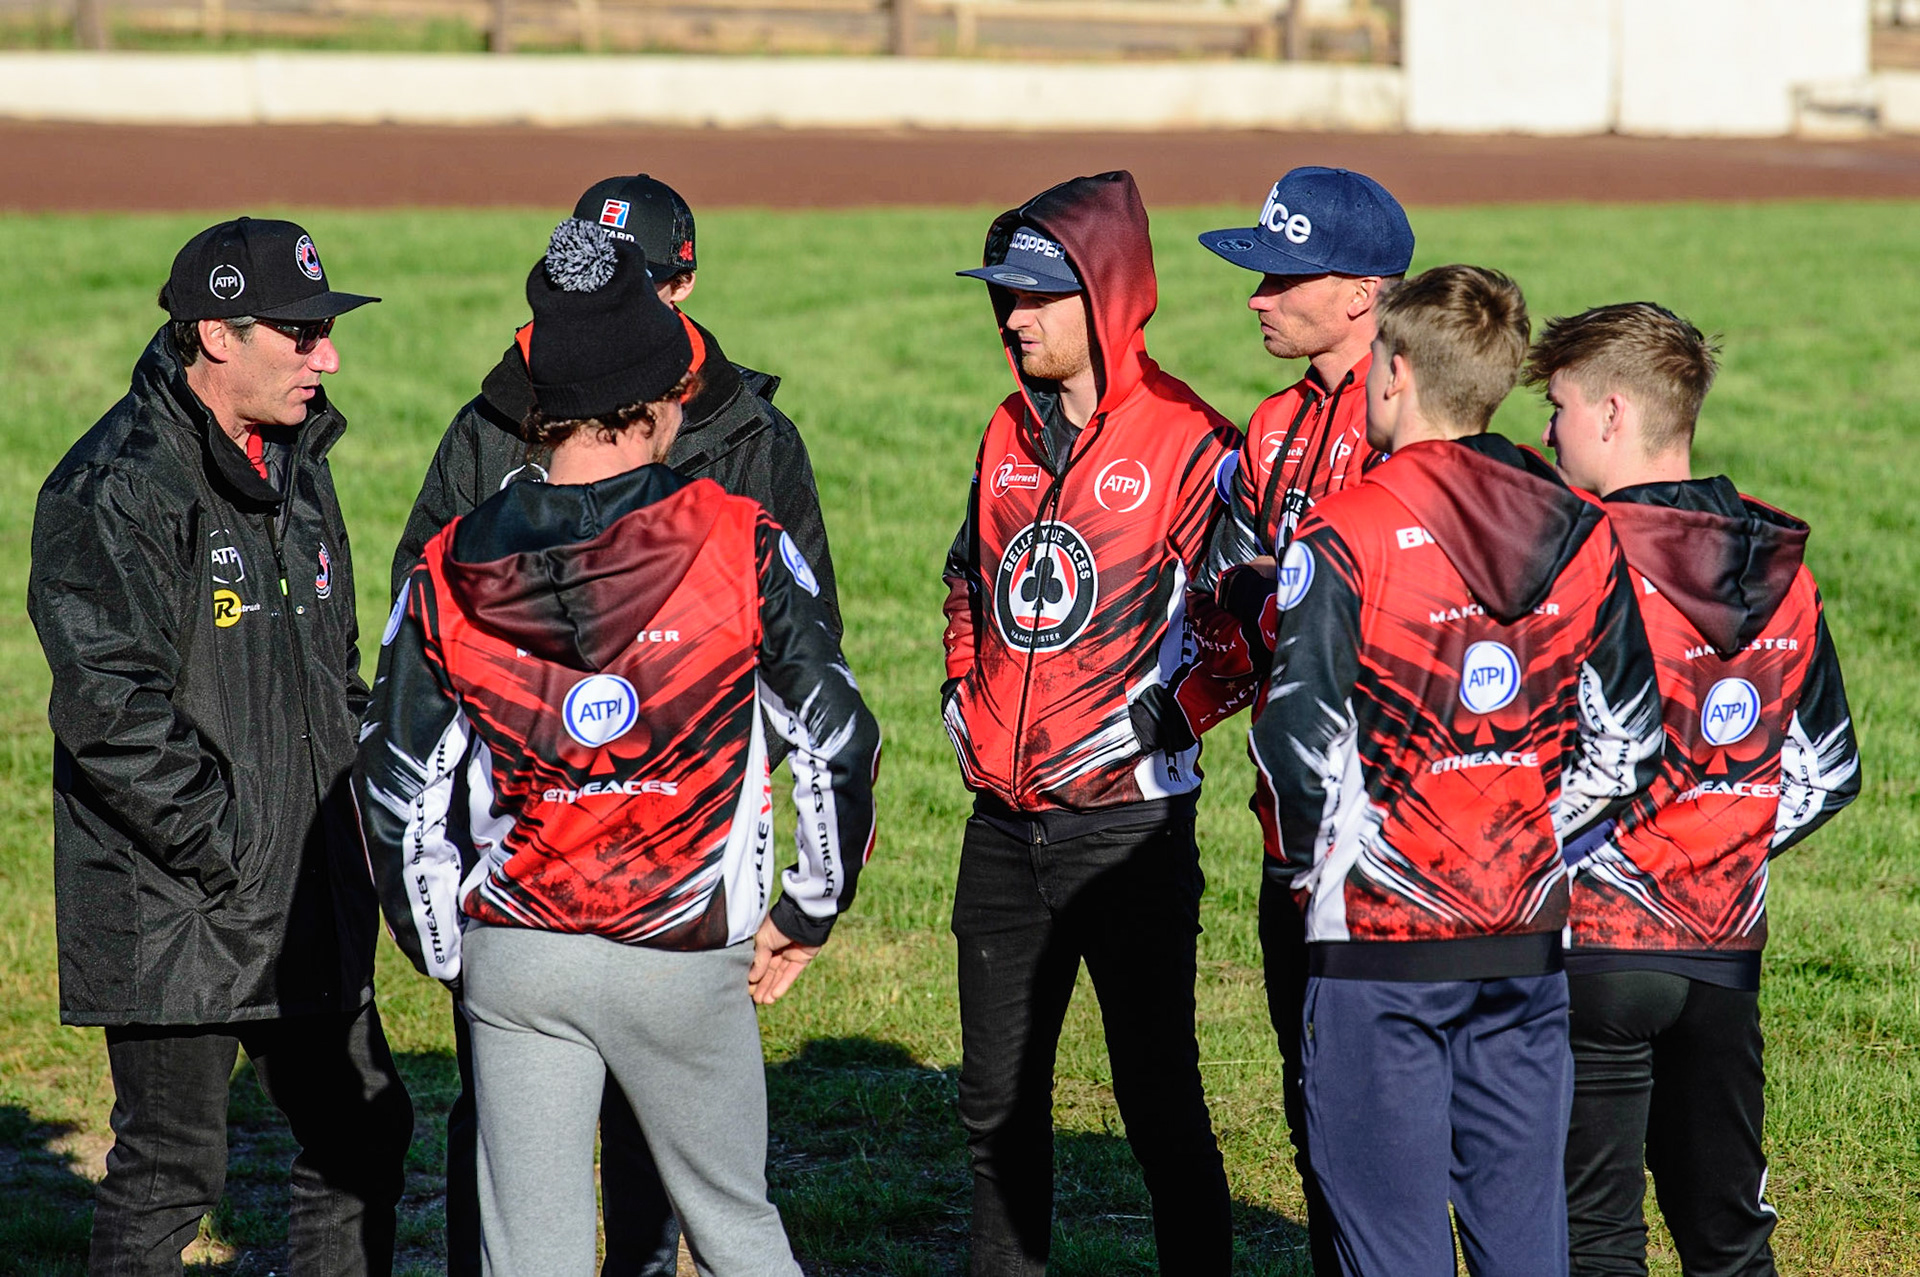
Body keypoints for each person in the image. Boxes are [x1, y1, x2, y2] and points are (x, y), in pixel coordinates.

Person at [357, 217, 880, 1277]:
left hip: (519, 952)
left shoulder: (450, 563)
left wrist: (450, 950)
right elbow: (835, 735)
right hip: (683, 948)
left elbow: (393, 776)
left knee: (529, 1259)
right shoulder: (741, 538)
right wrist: (806, 907)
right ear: (658, 404)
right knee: (738, 1230)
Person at [1248, 265, 1663, 1276]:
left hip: (1380, 949)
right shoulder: (1580, 525)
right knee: (1526, 1243)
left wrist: (1326, 873)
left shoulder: (1343, 531)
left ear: (1392, 374)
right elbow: (1635, 738)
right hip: (1523, 938)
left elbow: (1293, 742)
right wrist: (1526, 839)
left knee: (1389, 1250)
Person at [28, 217, 414, 1276]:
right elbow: (111, 709)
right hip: (182, 899)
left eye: (326, 330)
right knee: (171, 1172)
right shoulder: (115, 487)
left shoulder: (298, 457)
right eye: (299, 333)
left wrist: (357, 817)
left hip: (307, 886)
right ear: (213, 331)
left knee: (364, 1135)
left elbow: (331, 666)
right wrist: (234, 846)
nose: (326, 356)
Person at [941, 170, 1242, 1276]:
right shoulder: (1005, 430)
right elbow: (966, 580)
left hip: (1128, 831)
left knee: (1159, 1105)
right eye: (1002, 298)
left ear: (1105, 296)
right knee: (994, 1109)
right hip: (1001, 825)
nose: (1012, 318)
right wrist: (962, 700)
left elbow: (1248, 624)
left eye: (1034, 297)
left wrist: (1160, 717)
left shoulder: (1196, 442)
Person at [1528, 303, 1861, 1276]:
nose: (1546, 431)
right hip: (1723, 955)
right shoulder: (1785, 568)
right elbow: (1829, 768)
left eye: (1557, 406)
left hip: (1589, 951)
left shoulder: (1567, 562)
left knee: (1591, 1242)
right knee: (1729, 1243)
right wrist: (1709, 852)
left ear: (1613, 413)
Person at [1191, 164, 1415, 1274]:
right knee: (1315, 1099)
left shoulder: (1418, 418)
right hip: (1291, 827)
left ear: (1364, 293)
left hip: (1405, 836)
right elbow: (1225, 599)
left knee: (1422, 1125)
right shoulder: (1273, 426)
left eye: (1286, 273)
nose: (1258, 294)